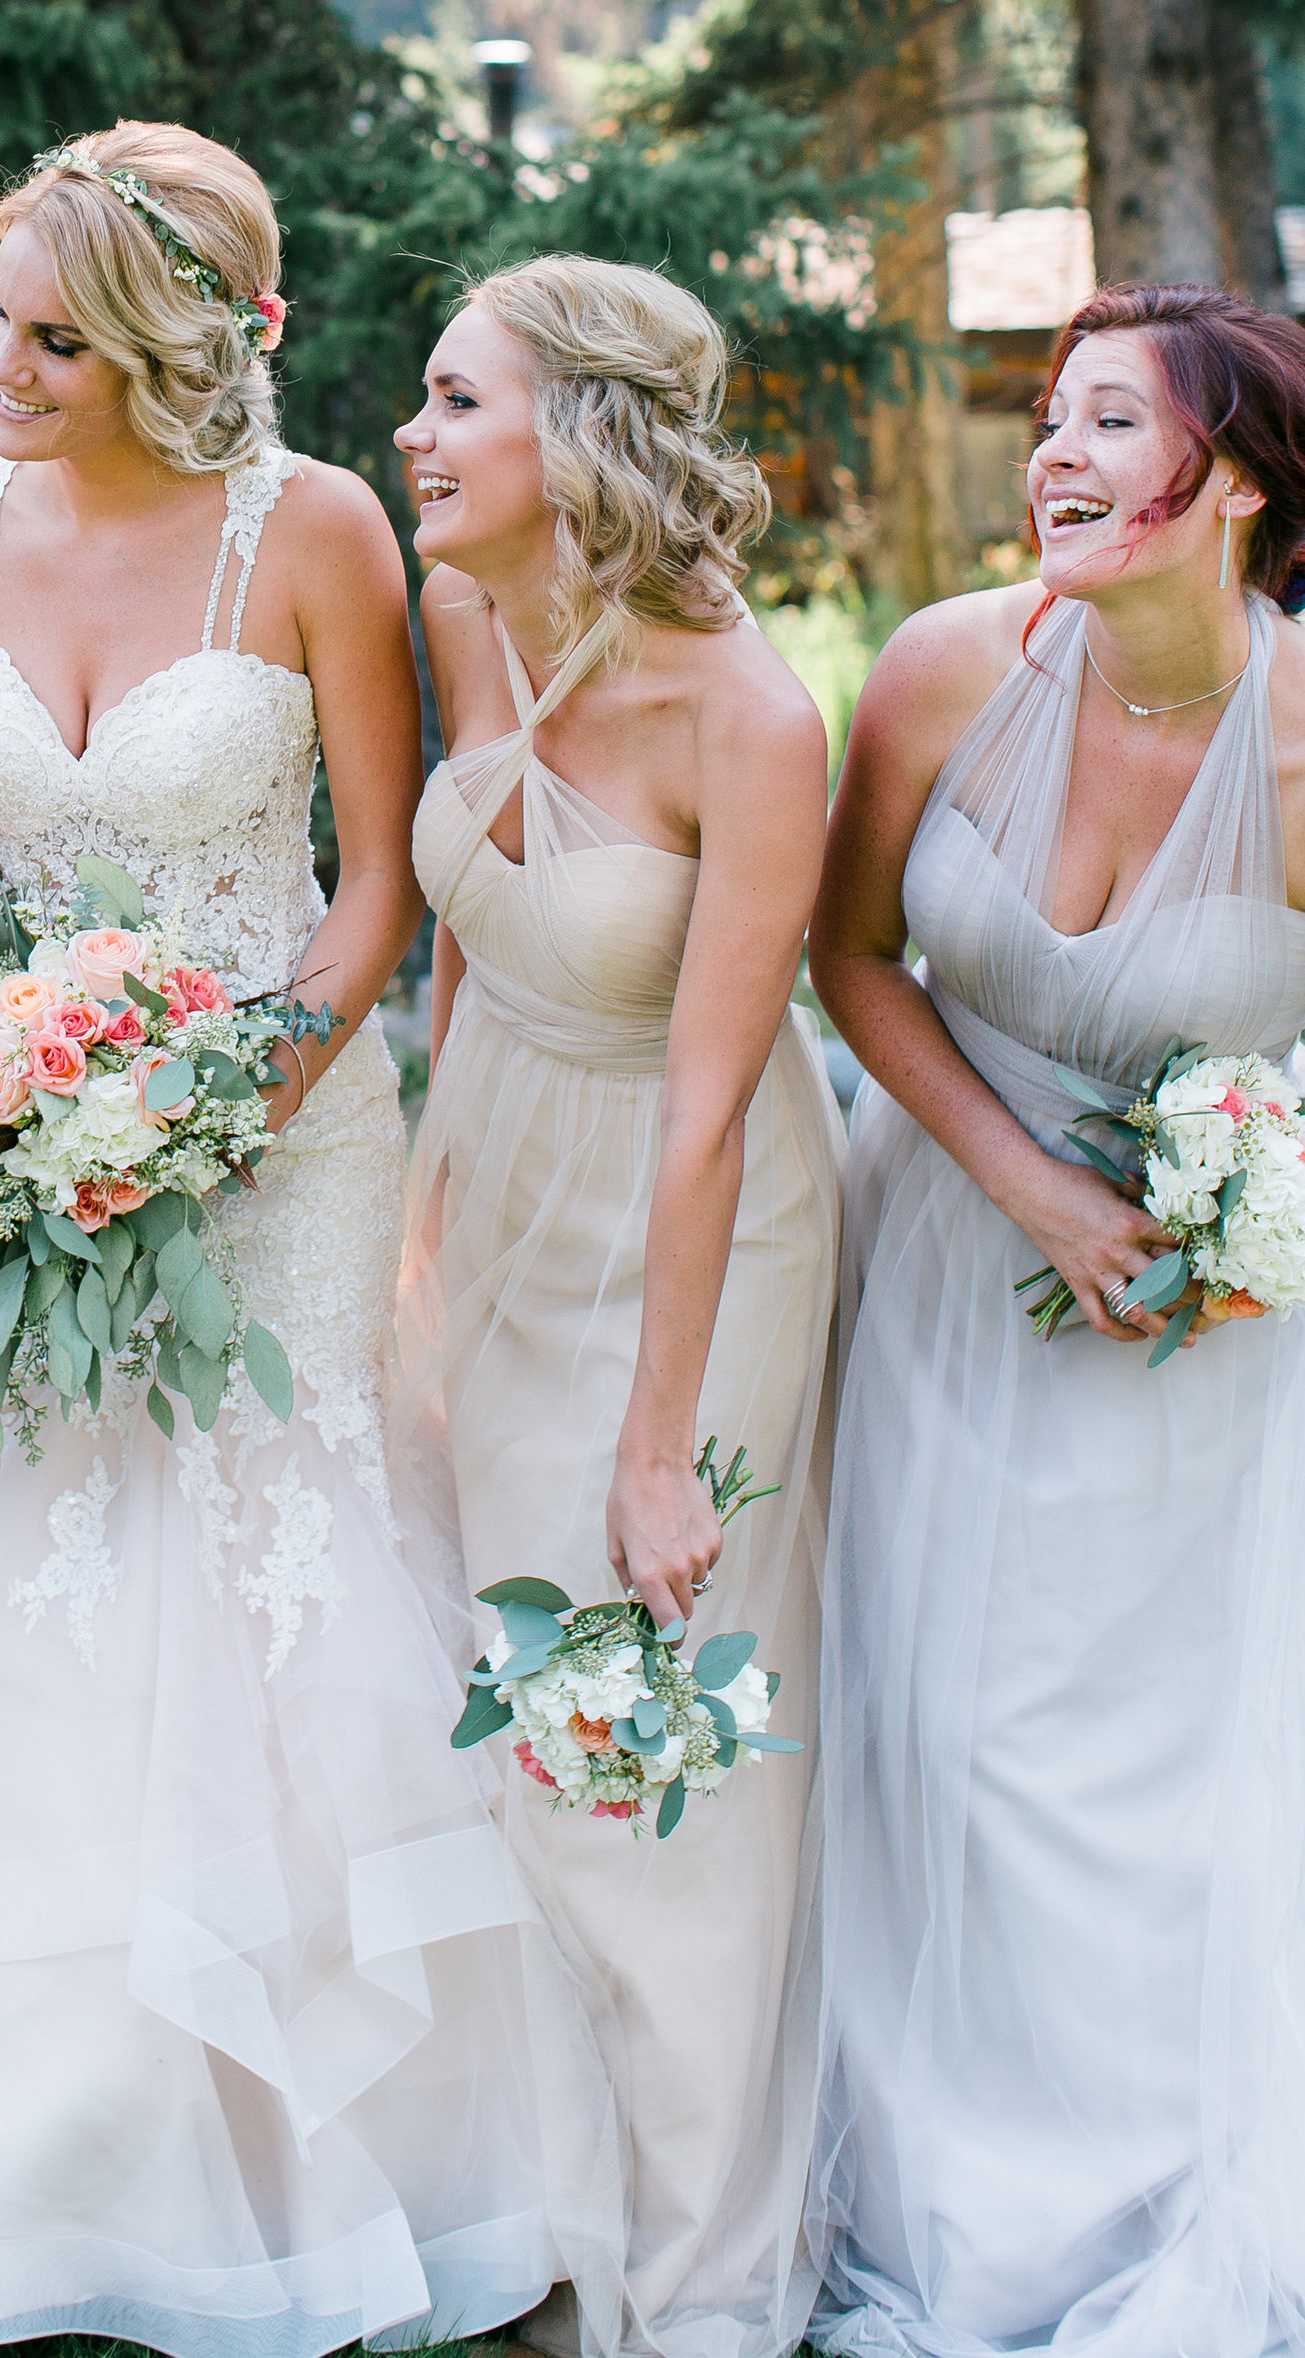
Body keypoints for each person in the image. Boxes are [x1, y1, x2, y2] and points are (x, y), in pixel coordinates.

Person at [0, 123, 621, 2358]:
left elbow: (373, 879)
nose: (1, 361)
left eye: (55, 333)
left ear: (179, 336)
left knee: (283, 1561)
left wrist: (212, 1112)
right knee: (35, 1568)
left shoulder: (313, 533)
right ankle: (19, 2163)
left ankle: (350, 2162)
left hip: (277, 1130)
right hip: (20, 1127)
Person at [807, 281, 1305, 2358]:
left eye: (1109, 423)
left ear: (1237, 490)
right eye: (1047, 413)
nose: (1052, 455)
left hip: (1202, 1340)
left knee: (1125, 1774)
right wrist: (1018, 1181)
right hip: (935, 1263)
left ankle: (1129, 2197)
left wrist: (1229, 1207)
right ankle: (920, 2186)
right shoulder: (939, 669)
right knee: (919, 1724)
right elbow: (848, 959)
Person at [392, 256, 839, 2358]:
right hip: (500, 1189)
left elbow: (712, 1102)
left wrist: (659, 1439)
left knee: (652, 1724)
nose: (414, 434)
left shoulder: (743, 716)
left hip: (694, 1233)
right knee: (498, 1691)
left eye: (453, 399)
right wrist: (421, 1214)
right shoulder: (464, 612)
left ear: (573, 436)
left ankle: (684, 2267)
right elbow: (467, 927)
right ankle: (534, 2225)